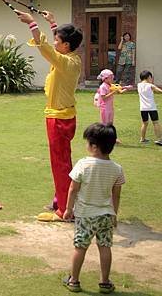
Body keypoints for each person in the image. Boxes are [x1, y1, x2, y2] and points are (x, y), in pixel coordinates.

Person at [16, 10, 83, 222]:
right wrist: (53, 23)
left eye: (57, 40)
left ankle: (64, 210)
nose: (54, 42)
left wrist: (33, 24)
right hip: (62, 116)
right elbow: (55, 50)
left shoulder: (68, 63)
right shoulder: (69, 57)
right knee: (62, 162)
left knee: (60, 164)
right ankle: (61, 200)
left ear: (66, 46)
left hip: (60, 120)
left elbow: (46, 49)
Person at [62, 123, 125, 294]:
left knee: (80, 247)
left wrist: (68, 209)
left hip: (85, 215)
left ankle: (73, 280)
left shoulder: (83, 164)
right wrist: (114, 214)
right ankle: (104, 282)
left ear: (94, 146)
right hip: (106, 214)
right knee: (105, 247)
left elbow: (73, 189)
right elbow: (116, 195)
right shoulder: (117, 169)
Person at [95, 69, 127, 143]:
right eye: (111, 77)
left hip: (110, 108)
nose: (112, 78)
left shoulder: (110, 85)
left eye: (112, 77)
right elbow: (103, 97)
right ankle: (103, 140)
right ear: (105, 78)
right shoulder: (103, 86)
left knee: (110, 124)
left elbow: (120, 91)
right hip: (105, 108)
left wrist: (126, 88)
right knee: (105, 125)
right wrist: (113, 92)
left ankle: (113, 139)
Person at [137, 70, 162, 145]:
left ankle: (142, 139)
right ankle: (160, 139)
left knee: (145, 123)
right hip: (151, 108)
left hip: (143, 108)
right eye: (151, 77)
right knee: (155, 123)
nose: (151, 79)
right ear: (148, 77)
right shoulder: (150, 85)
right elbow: (159, 90)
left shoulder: (139, 85)